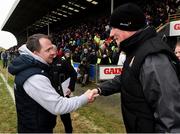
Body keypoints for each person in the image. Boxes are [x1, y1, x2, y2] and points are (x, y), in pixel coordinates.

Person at [91, 3, 180, 133]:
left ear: (127, 26)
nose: (111, 33)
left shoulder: (153, 58)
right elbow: (127, 77)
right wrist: (100, 89)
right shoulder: (136, 50)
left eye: (114, 27)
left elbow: (170, 119)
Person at [8, 34, 95, 133]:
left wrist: (70, 87)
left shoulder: (31, 67)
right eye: (48, 50)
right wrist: (85, 97)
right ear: (35, 53)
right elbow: (58, 106)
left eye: (52, 48)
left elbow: (72, 74)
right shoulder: (35, 76)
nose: (53, 52)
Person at [50, 45, 76, 133]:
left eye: (53, 50)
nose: (51, 52)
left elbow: (74, 74)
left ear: (57, 51)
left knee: (65, 117)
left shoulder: (63, 62)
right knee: (50, 118)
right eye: (49, 50)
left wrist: (70, 87)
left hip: (62, 94)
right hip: (50, 94)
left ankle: (69, 131)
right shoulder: (46, 62)